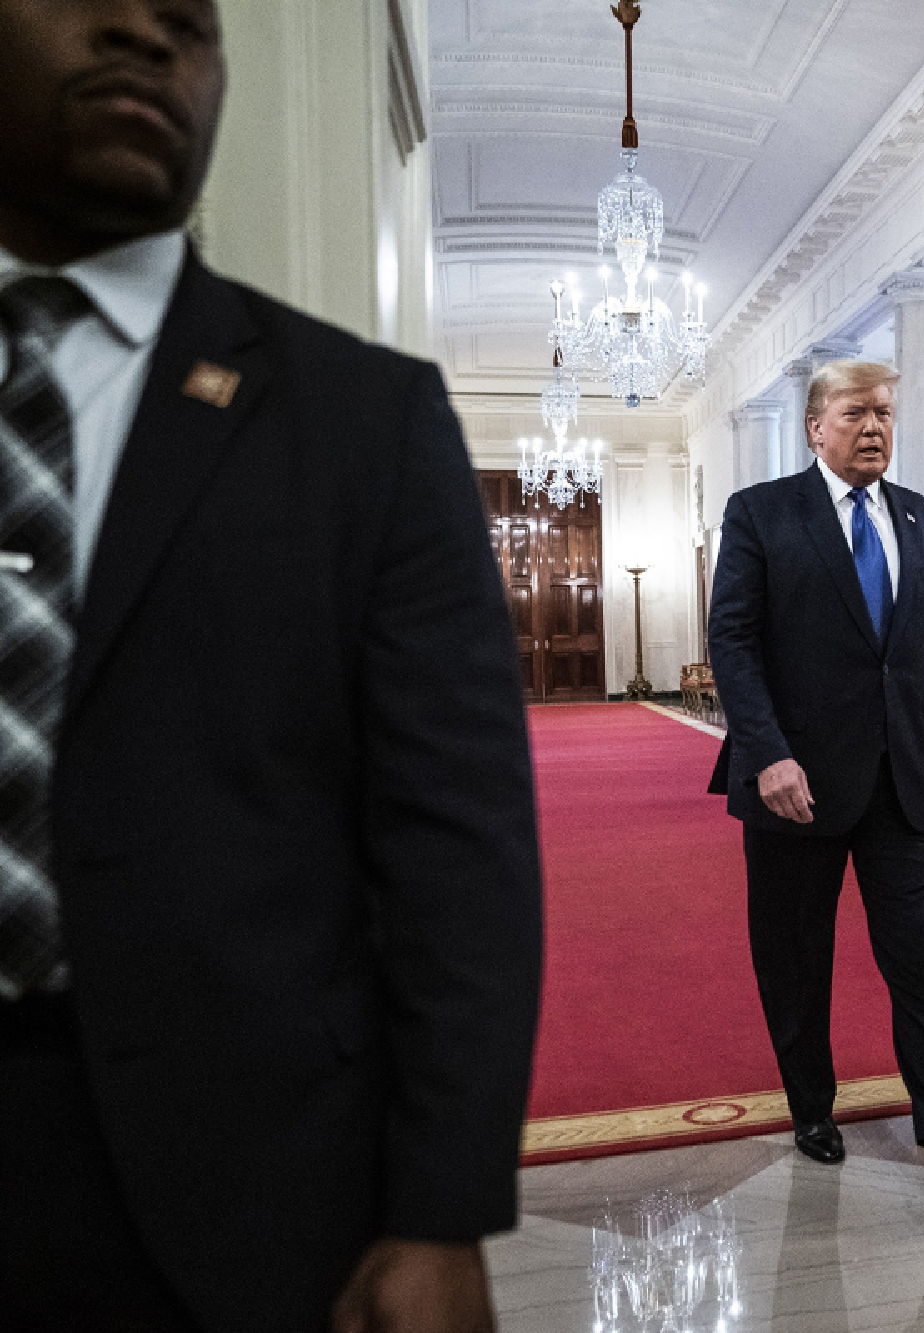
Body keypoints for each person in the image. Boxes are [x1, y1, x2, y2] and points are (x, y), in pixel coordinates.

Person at [0, 2, 544, 1330]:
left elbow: (458, 850)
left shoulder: (364, 421)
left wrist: (440, 1209)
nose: (143, 30)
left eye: (191, 22)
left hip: (233, 1180)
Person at [706, 360, 924, 1210]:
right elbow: (733, 644)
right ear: (817, 426)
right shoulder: (762, 512)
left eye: (885, 412)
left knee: (919, 962)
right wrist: (767, 751)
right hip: (794, 784)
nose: (875, 427)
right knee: (795, 959)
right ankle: (811, 1108)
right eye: (856, 412)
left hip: (904, 783)